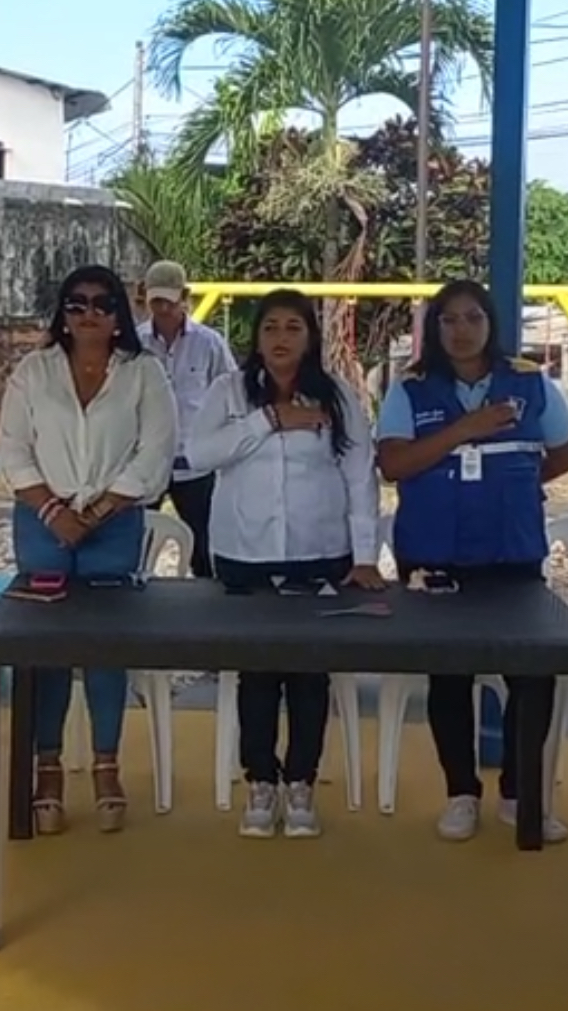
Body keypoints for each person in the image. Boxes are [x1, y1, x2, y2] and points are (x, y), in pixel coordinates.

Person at [376, 279, 568, 844]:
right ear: (435, 329)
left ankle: (519, 795)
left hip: (511, 552)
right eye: (449, 320)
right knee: (450, 677)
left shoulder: (529, 382)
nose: (461, 330)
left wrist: (513, 485)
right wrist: (464, 430)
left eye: (473, 318)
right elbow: (393, 464)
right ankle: (461, 794)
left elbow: (567, 452)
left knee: (532, 676)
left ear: (490, 324)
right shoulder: (410, 388)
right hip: (435, 555)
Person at [187, 288, 385, 839]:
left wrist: (366, 556)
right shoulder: (228, 391)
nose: (281, 338)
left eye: (293, 327)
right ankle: (260, 781)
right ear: (256, 336)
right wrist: (271, 419)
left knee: (308, 672)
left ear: (310, 337)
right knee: (256, 669)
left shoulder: (338, 396)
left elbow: (359, 477)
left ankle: (301, 782)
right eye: (271, 326)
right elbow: (200, 455)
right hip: (244, 552)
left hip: (319, 551)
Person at [0, 264, 178, 835]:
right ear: (63, 313)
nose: (89, 313)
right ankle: (47, 769)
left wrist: (95, 513)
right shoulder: (34, 370)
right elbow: (10, 451)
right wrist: (54, 512)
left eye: (102, 303)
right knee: (46, 649)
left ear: (120, 313)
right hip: (42, 522)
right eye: (77, 303)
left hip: (114, 524)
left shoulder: (144, 373)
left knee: (105, 646)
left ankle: (106, 766)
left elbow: (155, 452)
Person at [138, 260, 238, 577]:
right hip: (145, 462)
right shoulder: (134, 343)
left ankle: (208, 605)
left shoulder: (210, 343)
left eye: (169, 301)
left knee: (205, 550)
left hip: (196, 465)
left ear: (184, 297)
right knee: (135, 549)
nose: (163, 309)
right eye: (156, 301)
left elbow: (231, 394)